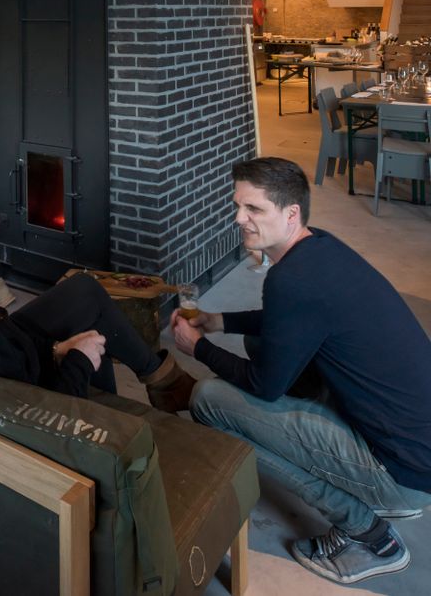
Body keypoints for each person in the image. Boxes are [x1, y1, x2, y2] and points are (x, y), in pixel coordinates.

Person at [172, 157, 431, 586]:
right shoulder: (320, 247)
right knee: (261, 344)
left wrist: (198, 347)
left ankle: (368, 534)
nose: (239, 218)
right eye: (238, 206)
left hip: (402, 474)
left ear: (291, 213)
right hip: (418, 446)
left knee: (208, 400)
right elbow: (289, 319)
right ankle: (324, 451)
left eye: (254, 209)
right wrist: (221, 321)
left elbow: (264, 386)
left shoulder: (290, 281)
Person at [0, 196, 195, 410]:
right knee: (91, 328)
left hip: (17, 344)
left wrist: (57, 349)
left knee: (84, 290)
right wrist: (79, 358)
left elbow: (8, 337)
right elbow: (51, 409)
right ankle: (138, 398)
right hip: (44, 382)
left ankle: (161, 378)